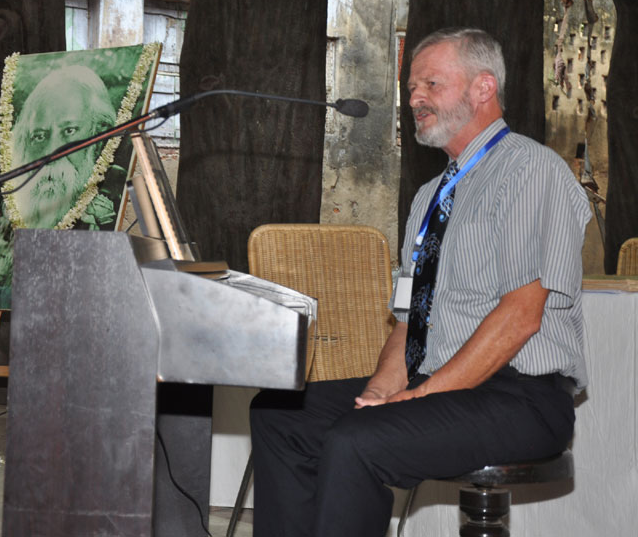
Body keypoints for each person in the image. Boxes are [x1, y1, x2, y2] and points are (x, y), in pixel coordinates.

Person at [250, 27, 591, 537]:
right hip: (439, 385)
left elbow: (521, 316)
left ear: (483, 88)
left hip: (520, 397)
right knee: (280, 416)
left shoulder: (531, 171)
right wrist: (380, 390)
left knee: (355, 442)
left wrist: (424, 393)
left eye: (431, 84)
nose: (414, 98)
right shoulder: (431, 195)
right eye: (412, 87)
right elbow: (410, 318)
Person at [8, 64, 118, 229]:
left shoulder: (118, 198)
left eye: (69, 131)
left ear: (99, 134)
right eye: (39, 136)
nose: (51, 153)